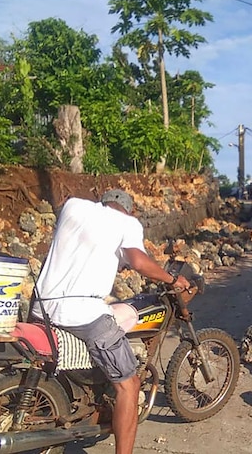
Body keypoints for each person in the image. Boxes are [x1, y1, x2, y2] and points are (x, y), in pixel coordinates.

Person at [33, 189, 190, 454]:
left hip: (42, 307)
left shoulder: (73, 207)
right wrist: (172, 280)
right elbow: (139, 261)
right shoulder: (127, 223)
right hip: (81, 313)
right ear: (129, 211)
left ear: (103, 203)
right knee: (129, 385)